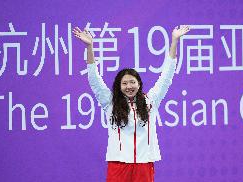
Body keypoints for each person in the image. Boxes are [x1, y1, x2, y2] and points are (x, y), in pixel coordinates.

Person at [73, 25, 190, 182]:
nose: (129, 86)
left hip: (144, 164)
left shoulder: (151, 101)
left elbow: (166, 77)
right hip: (118, 164)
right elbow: (94, 80)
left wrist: (174, 41)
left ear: (139, 84)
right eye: (124, 83)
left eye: (132, 82)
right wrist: (90, 47)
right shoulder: (110, 103)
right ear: (119, 86)